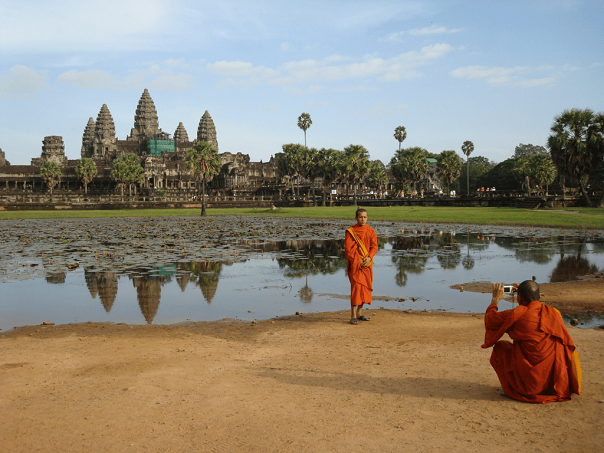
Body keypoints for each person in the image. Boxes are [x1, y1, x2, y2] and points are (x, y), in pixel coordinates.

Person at [482, 281, 582, 403]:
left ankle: (513, 389)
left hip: (529, 383)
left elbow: (490, 319)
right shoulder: (553, 312)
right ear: (539, 297)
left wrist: (495, 299)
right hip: (552, 380)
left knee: (500, 347)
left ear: (519, 299)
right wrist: (526, 291)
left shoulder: (517, 314)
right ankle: (545, 387)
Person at [345, 208, 378, 325]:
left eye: (364, 217)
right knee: (356, 289)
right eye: (360, 217)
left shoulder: (370, 231)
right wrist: (358, 260)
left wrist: (369, 257)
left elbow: (374, 246)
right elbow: (348, 250)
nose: (362, 219)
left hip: (367, 264)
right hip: (355, 264)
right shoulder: (351, 231)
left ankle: (359, 312)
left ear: (367, 218)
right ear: (356, 218)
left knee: (365, 288)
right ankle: (353, 315)